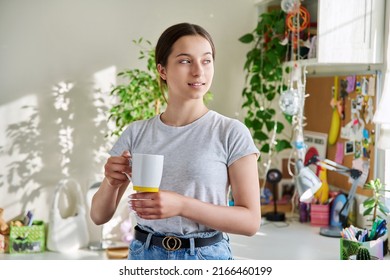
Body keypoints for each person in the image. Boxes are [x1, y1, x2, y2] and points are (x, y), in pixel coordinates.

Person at [90, 22, 261, 260]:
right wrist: (111, 181)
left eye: (206, 60)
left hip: (206, 257)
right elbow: (99, 216)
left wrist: (182, 205)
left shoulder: (230, 132)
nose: (198, 71)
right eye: (185, 61)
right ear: (162, 70)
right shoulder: (136, 133)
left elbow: (250, 222)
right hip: (144, 255)